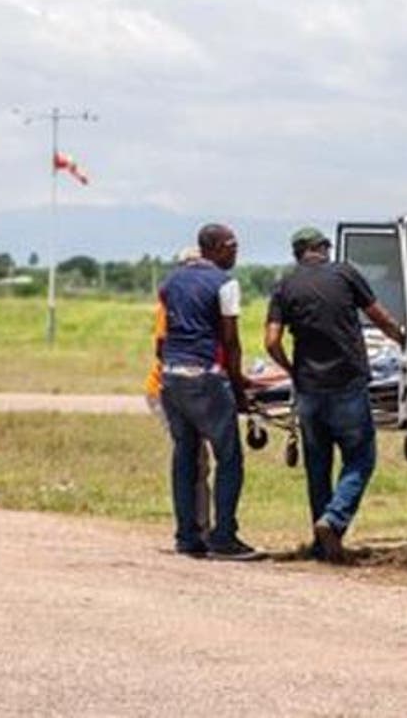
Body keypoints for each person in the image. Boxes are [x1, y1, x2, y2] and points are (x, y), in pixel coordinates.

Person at [264, 226, 405, 562]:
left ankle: (321, 543)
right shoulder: (344, 273)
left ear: (298, 253)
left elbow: (271, 341)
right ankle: (334, 520)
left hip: (309, 389)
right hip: (348, 386)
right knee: (360, 458)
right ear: (322, 248)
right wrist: (402, 339)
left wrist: (292, 370)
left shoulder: (285, 284)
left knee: (318, 466)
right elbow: (379, 316)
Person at [158, 223, 262, 561]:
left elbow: (166, 334)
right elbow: (231, 342)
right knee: (229, 457)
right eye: (231, 245)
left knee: (184, 456)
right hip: (205, 377)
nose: (236, 251)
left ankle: (187, 537)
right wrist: (238, 387)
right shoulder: (225, 283)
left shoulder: (171, 281)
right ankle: (224, 537)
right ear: (214, 247)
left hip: (171, 377)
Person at [145, 246, 212, 544]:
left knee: (197, 459)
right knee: (193, 457)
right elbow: (162, 346)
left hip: (179, 383)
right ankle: (193, 531)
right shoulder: (170, 303)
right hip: (169, 387)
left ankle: (198, 528)